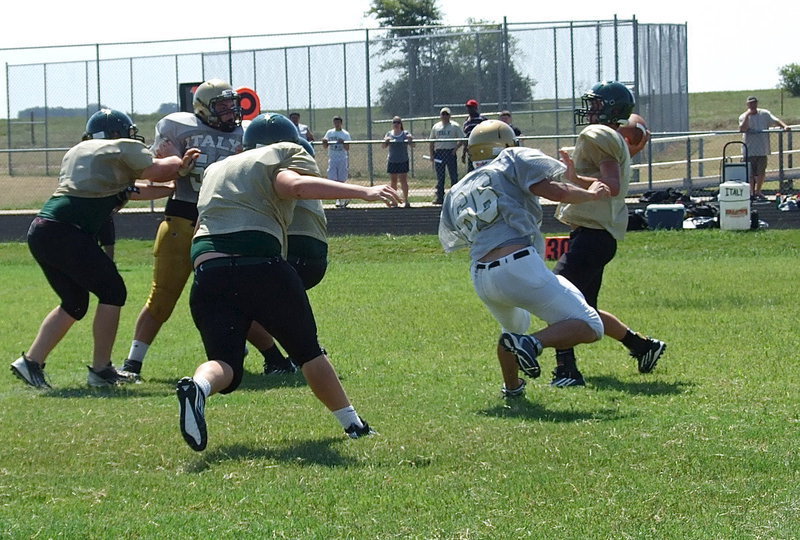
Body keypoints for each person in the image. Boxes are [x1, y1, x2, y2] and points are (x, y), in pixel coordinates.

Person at [176, 113, 401, 451]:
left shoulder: (216, 169)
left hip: (208, 268)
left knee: (225, 363)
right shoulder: (278, 155)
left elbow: (201, 225)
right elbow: (293, 186)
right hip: (260, 262)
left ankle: (199, 387)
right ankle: (354, 425)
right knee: (308, 352)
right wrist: (363, 190)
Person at [10, 109, 198, 389]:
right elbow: (156, 172)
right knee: (113, 291)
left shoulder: (83, 154)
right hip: (67, 231)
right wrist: (175, 157)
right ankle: (101, 370)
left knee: (74, 303)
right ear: (115, 134)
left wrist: (174, 184)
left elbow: (136, 190)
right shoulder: (121, 146)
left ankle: (31, 362)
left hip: (43, 229)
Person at [439, 120, 609, 399]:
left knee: (511, 330)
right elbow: (557, 191)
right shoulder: (510, 158)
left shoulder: (457, 189)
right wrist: (590, 194)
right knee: (591, 325)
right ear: (506, 144)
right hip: (518, 263)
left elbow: (458, 236)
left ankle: (512, 388)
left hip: (480, 274)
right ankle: (531, 344)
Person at [120, 79, 245, 381]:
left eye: (232, 103)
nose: (230, 110)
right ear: (203, 108)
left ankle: (267, 356)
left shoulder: (246, 132)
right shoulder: (177, 126)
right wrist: (178, 167)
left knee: (239, 294)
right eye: (222, 105)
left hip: (226, 222)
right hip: (183, 218)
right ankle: (132, 363)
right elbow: (155, 174)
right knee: (162, 296)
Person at [553, 81, 666, 387]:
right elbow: (610, 176)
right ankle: (643, 346)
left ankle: (567, 371)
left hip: (592, 235)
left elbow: (611, 184)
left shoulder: (596, 134)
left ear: (611, 109)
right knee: (584, 309)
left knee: (557, 298)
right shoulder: (611, 135)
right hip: (597, 236)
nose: (590, 110)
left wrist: (575, 177)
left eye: (596, 105)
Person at [738, 96, 791, 202]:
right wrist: (748, 115)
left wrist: (784, 126)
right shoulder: (743, 116)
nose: (753, 105)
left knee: (761, 172)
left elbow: (775, 120)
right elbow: (742, 129)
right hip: (749, 150)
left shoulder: (764, 113)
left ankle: (758, 191)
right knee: (750, 174)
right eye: (750, 103)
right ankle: (751, 193)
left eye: (754, 103)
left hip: (762, 149)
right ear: (747, 105)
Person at [428, 107, 465, 205]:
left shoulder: (454, 126)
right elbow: (431, 142)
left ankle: (455, 197)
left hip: (450, 153)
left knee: (453, 175)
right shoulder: (436, 127)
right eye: (443, 114)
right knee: (440, 176)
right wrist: (432, 155)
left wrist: (455, 149)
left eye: (446, 114)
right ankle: (440, 197)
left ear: (450, 115)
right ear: (440, 116)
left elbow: (462, 139)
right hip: (439, 153)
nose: (444, 116)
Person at [382, 116, 414, 208]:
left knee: (403, 180)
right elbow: (383, 146)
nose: (396, 124)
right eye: (394, 122)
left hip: (403, 160)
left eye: (398, 122)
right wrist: (386, 141)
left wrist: (410, 140)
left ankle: (406, 200)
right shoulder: (389, 134)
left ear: (401, 124)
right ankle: (394, 200)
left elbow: (413, 145)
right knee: (393, 181)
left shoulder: (405, 133)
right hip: (392, 160)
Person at [321, 115, 352, 208]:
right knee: (332, 179)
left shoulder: (345, 134)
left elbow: (347, 148)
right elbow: (325, 146)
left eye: (338, 122)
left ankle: (342, 199)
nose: (337, 124)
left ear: (341, 123)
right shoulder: (329, 133)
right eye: (335, 122)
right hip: (332, 159)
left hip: (342, 159)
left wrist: (343, 142)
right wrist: (324, 141)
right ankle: (338, 198)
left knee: (341, 179)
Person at [461, 99, 487, 172]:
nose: (469, 109)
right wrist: (464, 153)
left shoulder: (482, 119)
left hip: (482, 149)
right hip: (471, 150)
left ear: (476, 108)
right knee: (471, 171)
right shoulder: (466, 122)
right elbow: (466, 137)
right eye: (468, 107)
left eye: (471, 107)